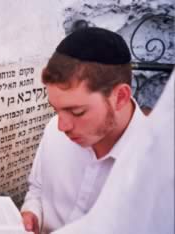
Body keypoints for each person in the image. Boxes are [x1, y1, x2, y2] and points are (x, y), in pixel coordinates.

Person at [20, 27, 147, 234]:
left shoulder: (160, 167)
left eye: (77, 112)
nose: (62, 126)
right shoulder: (54, 130)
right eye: (56, 109)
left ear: (121, 97)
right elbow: (38, 190)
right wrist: (31, 214)